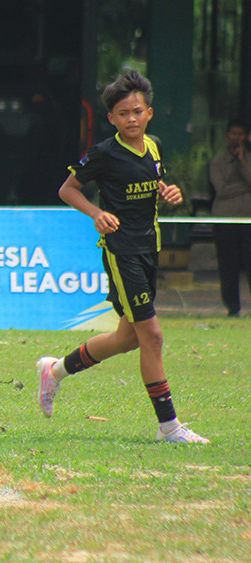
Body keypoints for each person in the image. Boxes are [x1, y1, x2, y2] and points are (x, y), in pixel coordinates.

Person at [36, 69, 208, 443]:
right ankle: (169, 428)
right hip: (122, 252)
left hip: (149, 248)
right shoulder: (103, 153)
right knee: (153, 337)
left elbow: (152, 183)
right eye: (123, 113)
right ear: (112, 118)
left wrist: (168, 192)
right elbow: (67, 190)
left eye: (137, 111)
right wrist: (96, 213)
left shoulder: (154, 147)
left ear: (149, 113)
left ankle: (54, 371)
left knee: (126, 339)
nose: (132, 118)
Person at [208, 119, 251, 317]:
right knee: (228, 265)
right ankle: (232, 308)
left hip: (247, 219)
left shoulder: (248, 159)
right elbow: (222, 190)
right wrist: (245, 187)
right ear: (227, 136)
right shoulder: (217, 162)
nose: (237, 138)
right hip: (225, 219)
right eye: (234, 134)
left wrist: (243, 163)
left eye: (240, 134)